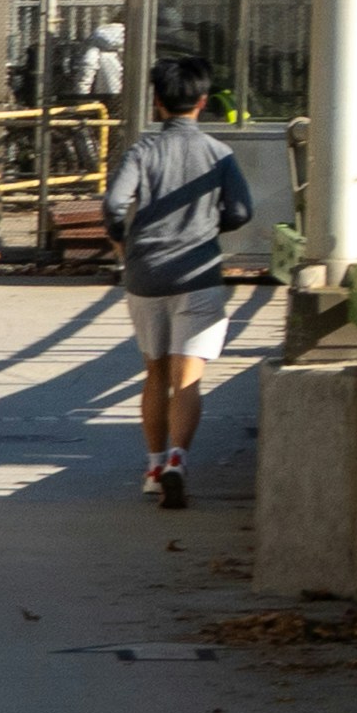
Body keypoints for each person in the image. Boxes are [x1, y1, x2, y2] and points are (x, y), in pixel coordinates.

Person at [99, 55, 257, 508]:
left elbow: (113, 204)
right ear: (203, 102)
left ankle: (152, 467)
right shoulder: (218, 154)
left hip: (146, 274)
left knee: (155, 374)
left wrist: (122, 240)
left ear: (157, 102)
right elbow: (241, 211)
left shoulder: (142, 151)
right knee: (187, 378)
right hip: (198, 274)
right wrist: (208, 228)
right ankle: (177, 460)